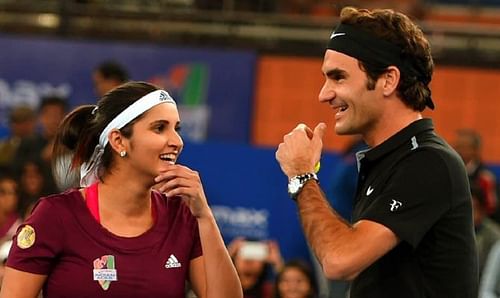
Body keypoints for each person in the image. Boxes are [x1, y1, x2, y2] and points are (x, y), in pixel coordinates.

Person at [275, 7, 477, 298]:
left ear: (388, 80)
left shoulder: (428, 162)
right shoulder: (391, 160)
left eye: (338, 77)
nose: (324, 94)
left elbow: (339, 260)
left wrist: (302, 174)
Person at [0, 81, 242, 298]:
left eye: (176, 128)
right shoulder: (55, 216)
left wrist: (205, 216)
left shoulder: (181, 215)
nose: (177, 141)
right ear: (118, 141)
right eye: (159, 128)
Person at [454, 129, 498, 216]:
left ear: (475, 150)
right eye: (457, 146)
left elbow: (492, 208)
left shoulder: (485, 177)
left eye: (463, 147)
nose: (458, 150)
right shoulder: (450, 171)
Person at [472, 183, 500, 279]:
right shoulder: (457, 233)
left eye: (474, 209)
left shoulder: (494, 235)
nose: (471, 214)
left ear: (482, 209)